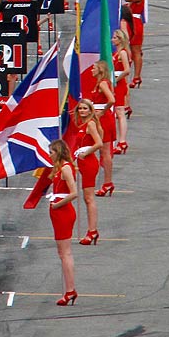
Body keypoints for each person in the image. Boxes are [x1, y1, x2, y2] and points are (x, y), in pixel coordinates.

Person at [44, 140, 80, 306]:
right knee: (63, 253)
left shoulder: (65, 168)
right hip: (59, 212)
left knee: (65, 253)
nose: (49, 155)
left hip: (63, 212)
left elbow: (74, 193)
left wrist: (57, 204)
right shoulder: (59, 168)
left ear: (58, 152)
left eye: (51, 152)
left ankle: (70, 290)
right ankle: (69, 289)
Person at [66, 100, 104, 245]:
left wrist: (86, 152)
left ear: (90, 110)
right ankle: (91, 230)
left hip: (88, 162)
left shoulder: (90, 124)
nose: (82, 111)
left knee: (89, 198)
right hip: (81, 161)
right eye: (80, 108)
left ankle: (92, 230)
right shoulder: (81, 124)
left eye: (84, 108)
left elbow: (99, 143)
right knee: (86, 198)